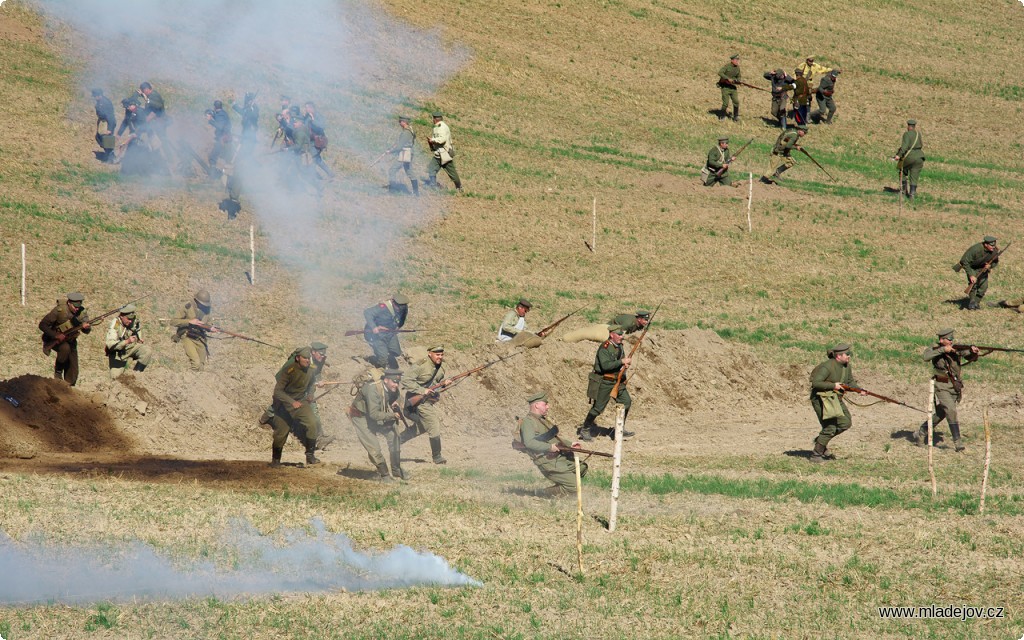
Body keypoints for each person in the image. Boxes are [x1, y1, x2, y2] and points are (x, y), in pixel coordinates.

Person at [912, 329, 978, 452]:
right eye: (948, 339)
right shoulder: (934, 348)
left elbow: (969, 356)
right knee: (951, 410)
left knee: (942, 413)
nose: (951, 341)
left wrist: (973, 352)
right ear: (941, 340)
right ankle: (958, 443)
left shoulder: (956, 348)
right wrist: (943, 350)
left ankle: (922, 431)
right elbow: (926, 356)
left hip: (954, 386)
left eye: (952, 339)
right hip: (941, 384)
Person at [516, 391, 587, 498]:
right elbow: (529, 442)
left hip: (556, 457)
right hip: (546, 460)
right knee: (576, 487)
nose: (548, 407)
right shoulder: (528, 422)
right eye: (545, 404)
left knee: (582, 467)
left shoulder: (541, 420)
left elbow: (552, 438)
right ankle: (542, 493)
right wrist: (549, 447)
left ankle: (565, 485)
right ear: (537, 405)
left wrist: (570, 444)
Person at [808, 343, 867, 463]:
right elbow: (816, 383)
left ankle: (821, 441)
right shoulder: (827, 367)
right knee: (830, 427)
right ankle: (816, 455)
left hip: (835, 399)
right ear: (838, 356)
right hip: (822, 399)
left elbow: (850, 382)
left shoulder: (846, 366)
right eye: (847, 354)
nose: (849, 356)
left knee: (846, 422)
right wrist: (833, 385)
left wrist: (859, 390)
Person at [349, 368, 408, 481]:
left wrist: (397, 403)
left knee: (394, 435)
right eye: (394, 382)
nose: (396, 385)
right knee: (374, 447)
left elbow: (397, 397)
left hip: (377, 414)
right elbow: (374, 414)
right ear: (385, 380)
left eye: (398, 382)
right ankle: (384, 474)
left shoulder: (393, 388)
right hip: (361, 416)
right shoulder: (373, 390)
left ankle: (396, 469)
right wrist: (392, 415)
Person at [580, 325, 634, 441]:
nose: (621, 336)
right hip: (605, 381)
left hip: (617, 381)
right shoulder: (604, 348)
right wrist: (621, 362)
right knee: (598, 408)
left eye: (621, 334)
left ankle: (620, 428)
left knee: (626, 402)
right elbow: (605, 366)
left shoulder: (619, 346)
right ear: (611, 335)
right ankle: (585, 429)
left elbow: (620, 361)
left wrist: (624, 365)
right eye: (619, 334)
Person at [269, 347, 321, 466]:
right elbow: (278, 392)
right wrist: (292, 402)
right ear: (298, 358)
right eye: (304, 358)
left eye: (309, 358)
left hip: (301, 402)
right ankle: (276, 460)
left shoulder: (311, 370)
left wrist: (311, 394)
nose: (307, 361)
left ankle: (310, 456)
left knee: (313, 424)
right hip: (284, 405)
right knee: (280, 434)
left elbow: (312, 384)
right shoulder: (289, 371)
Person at [401, 346, 450, 464]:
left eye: (441, 355)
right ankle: (437, 457)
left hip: (428, 400)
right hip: (418, 400)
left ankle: (396, 441)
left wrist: (443, 384)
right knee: (433, 424)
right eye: (437, 355)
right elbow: (405, 380)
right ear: (429, 354)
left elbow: (435, 383)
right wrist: (421, 390)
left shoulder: (442, 366)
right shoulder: (421, 365)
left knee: (423, 426)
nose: (440, 357)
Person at [38, 292, 91, 386]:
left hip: (70, 340)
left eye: (78, 307)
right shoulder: (59, 311)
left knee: (73, 371)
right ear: (69, 303)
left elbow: (86, 331)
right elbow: (42, 325)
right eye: (75, 307)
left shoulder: (82, 312)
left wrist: (86, 328)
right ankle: (58, 371)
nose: (77, 309)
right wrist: (55, 336)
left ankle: (67, 388)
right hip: (55, 339)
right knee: (65, 348)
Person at [171, 289, 218, 370]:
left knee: (201, 366)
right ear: (197, 301)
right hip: (187, 336)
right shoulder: (187, 306)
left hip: (200, 337)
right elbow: (173, 321)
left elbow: (208, 323)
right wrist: (189, 321)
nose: (204, 306)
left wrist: (211, 328)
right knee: (196, 363)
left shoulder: (207, 309)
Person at [104, 304, 153, 379]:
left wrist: (140, 338)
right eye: (128, 319)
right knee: (116, 379)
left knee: (147, 351)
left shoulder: (133, 319)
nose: (130, 321)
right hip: (118, 354)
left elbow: (137, 327)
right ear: (121, 316)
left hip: (131, 347)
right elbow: (110, 344)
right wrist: (127, 341)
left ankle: (136, 376)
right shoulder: (115, 324)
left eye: (131, 319)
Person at [363, 293, 409, 369]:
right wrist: (374, 327)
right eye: (398, 307)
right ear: (393, 302)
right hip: (377, 336)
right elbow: (367, 312)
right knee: (383, 359)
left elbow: (402, 318)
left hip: (390, 333)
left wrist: (398, 326)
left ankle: (384, 355)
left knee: (396, 352)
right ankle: (378, 364)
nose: (399, 309)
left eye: (402, 307)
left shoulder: (404, 308)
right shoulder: (382, 307)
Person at [957, 236, 1000, 310]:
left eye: (994, 245)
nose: (993, 247)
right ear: (986, 245)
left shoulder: (994, 251)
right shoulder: (975, 249)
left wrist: (989, 266)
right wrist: (971, 275)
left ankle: (976, 303)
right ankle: (972, 301)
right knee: (973, 285)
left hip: (982, 269)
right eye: (991, 245)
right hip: (971, 268)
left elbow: (995, 262)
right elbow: (964, 261)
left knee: (984, 287)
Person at [426, 112, 463, 192]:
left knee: (452, 174)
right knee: (431, 169)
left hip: (445, 154)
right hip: (438, 154)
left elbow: (442, 140)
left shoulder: (442, 127)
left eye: (433, 118)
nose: (432, 120)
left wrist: (432, 140)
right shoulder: (437, 127)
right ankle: (433, 187)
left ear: (435, 119)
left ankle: (459, 187)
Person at [892, 119, 924, 199]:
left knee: (901, 169)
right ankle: (912, 194)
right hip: (920, 157)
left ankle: (903, 191)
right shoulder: (918, 134)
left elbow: (904, 147)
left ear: (908, 127)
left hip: (910, 156)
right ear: (914, 127)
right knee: (914, 174)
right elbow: (921, 144)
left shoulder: (907, 134)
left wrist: (898, 156)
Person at [387, 116, 418, 195]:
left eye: (400, 121)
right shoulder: (410, 130)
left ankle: (393, 190)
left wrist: (390, 151)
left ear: (404, 122)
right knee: (409, 171)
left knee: (392, 170)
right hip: (408, 153)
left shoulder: (406, 132)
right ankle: (416, 192)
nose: (399, 123)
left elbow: (399, 147)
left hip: (405, 154)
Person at [303, 102, 334, 180]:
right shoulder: (306, 116)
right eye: (306, 108)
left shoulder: (318, 116)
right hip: (309, 140)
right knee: (314, 159)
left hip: (318, 141)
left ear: (312, 108)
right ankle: (316, 175)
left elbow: (322, 126)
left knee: (316, 158)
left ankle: (329, 173)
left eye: (308, 108)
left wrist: (313, 120)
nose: (306, 109)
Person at [205, 100, 232, 176]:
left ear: (215, 107)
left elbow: (220, 126)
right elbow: (218, 119)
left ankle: (213, 174)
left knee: (213, 157)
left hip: (222, 139)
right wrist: (212, 116)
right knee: (224, 157)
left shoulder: (221, 115)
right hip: (223, 138)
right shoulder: (221, 114)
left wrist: (210, 120)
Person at [92, 88, 117, 163]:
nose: (94, 97)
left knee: (108, 138)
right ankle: (108, 153)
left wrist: (110, 128)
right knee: (99, 137)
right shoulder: (99, 102)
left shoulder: (106, 103)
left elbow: (110, 116)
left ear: (99, 95)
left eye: (95, 96)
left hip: (108, 122)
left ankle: (111, 156)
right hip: (102, 121)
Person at [717, 54, 742, 121]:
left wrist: (738, 81)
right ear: (732, 60)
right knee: (725, 103)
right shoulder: (727, 66)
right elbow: (720, 73)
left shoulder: (737, 68)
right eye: (736, 60)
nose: (737, 61)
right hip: (725, 87)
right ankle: (722, 116)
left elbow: (739, 76)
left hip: (733, 87)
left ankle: (735, 116)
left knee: (736, 102)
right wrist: (728, 79)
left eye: (738, 60)